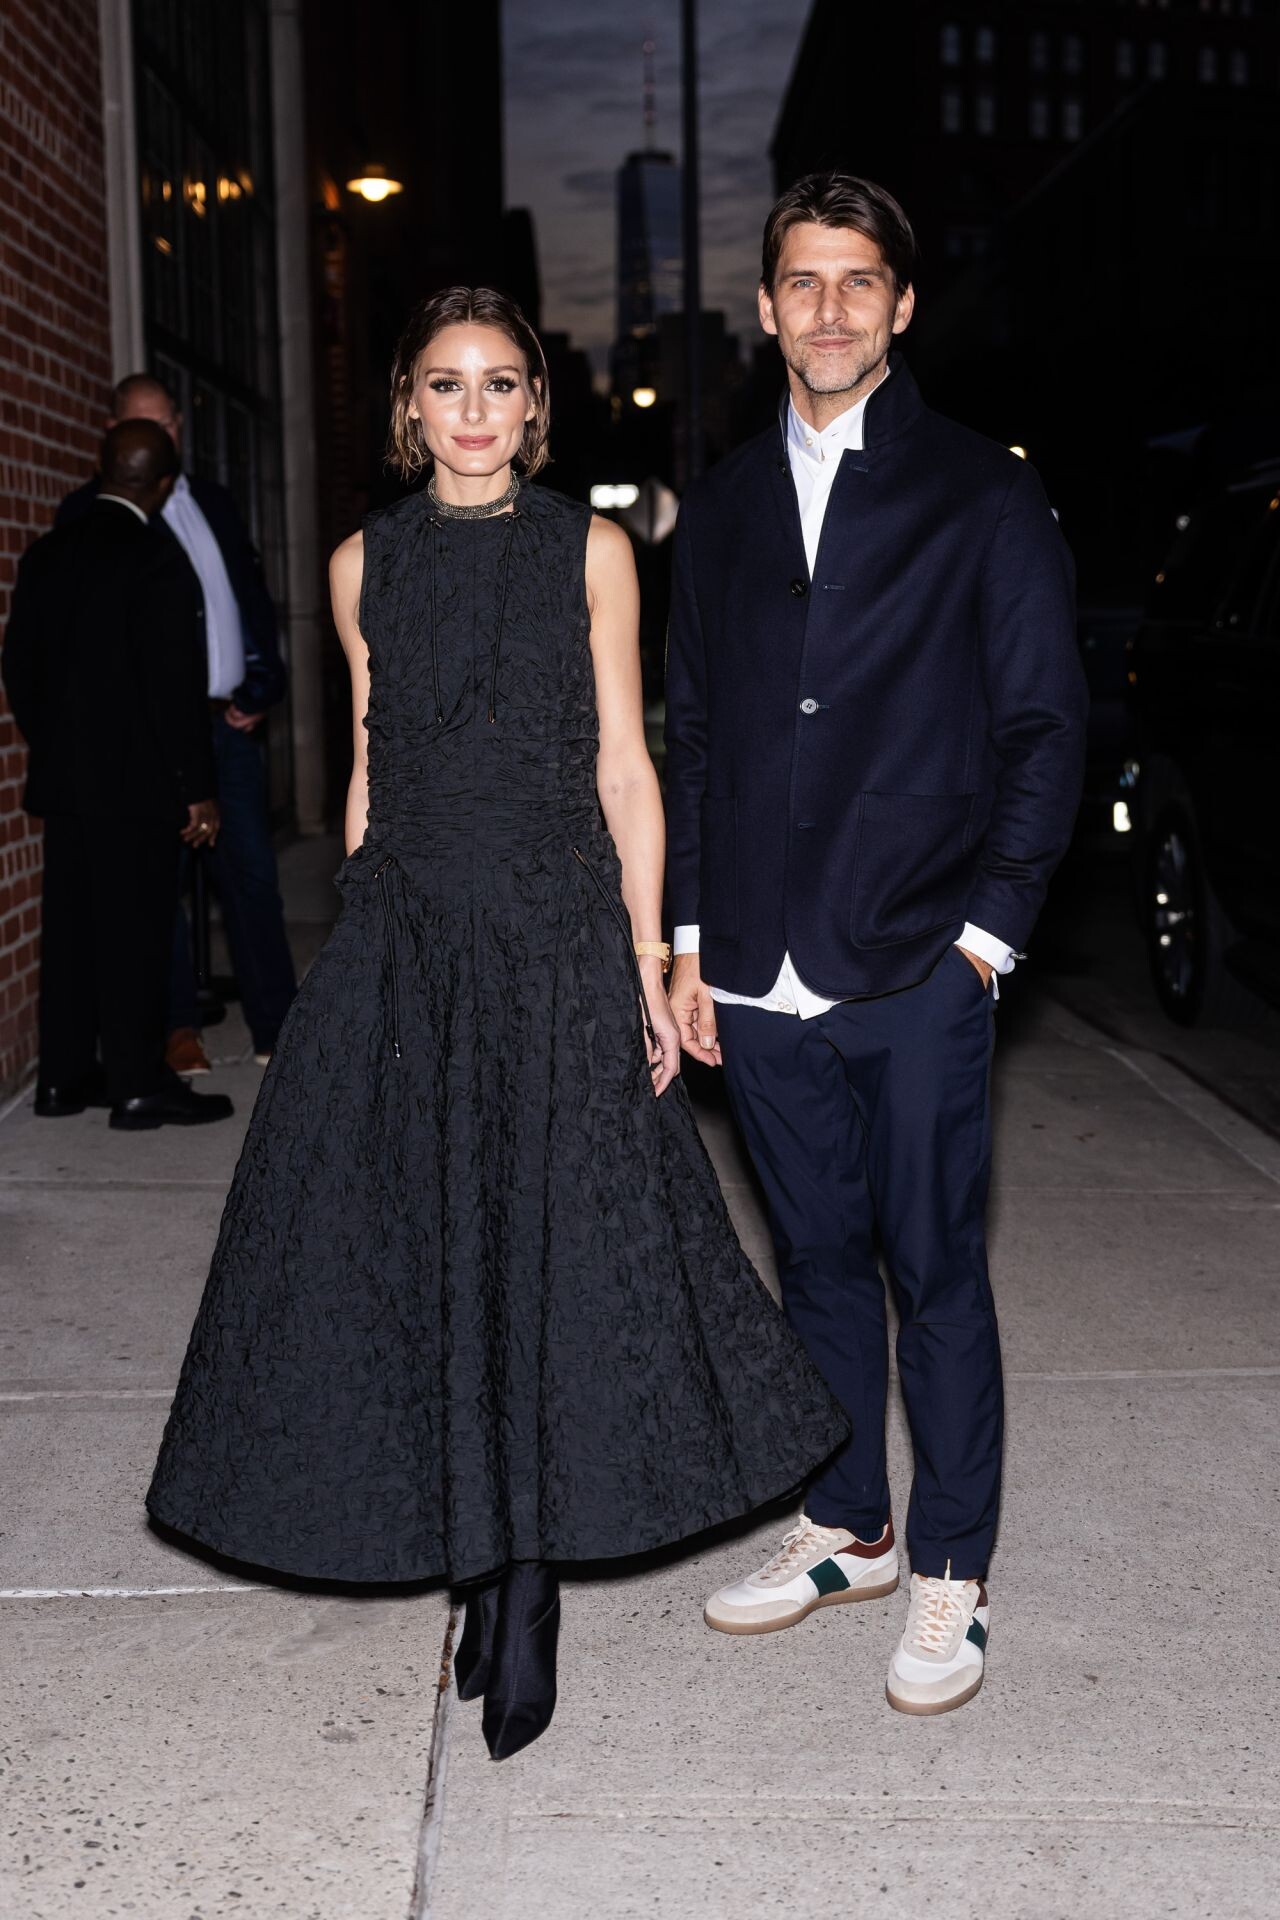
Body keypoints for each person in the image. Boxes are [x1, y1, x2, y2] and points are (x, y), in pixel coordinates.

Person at [146, 287, 847, 1761]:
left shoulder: (591, 552)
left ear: (536, 405)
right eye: (446, 384)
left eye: (501, 383)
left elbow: (624, 769)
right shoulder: (360, 564)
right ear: (409, 406)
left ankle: (525, 1584)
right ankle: (472, 1551)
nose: (475, 410)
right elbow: (369, 763)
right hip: (407, 939)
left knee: (550, 1256)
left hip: (551, 939)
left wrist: (650, 959)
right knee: (419, 1245)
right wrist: (355, 940)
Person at [664, 173, 1088, 1714]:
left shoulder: (982, 492)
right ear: (765, 307)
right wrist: (690, 938)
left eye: (859, 281)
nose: (830, 308)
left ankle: (952, 1568)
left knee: (935, 1274)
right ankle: (850, 1524)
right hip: (754, 965)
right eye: (804, 281)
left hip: (918, 959)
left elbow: (1045, 728)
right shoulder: (719, 506)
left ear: (901, 305)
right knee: (818, 1264)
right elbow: (697, 729)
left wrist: (987, 939)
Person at [58, 375, 295, 1070]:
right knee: (159, 885)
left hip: (229, 726)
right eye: (146, 424)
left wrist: (264, 682)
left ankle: (280, 1028)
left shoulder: (213, 502)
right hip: (152, 736)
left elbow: (248, 597)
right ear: (113, 432)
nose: (164, 436)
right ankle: (175, 1029)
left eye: (170, 424)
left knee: (252, 877)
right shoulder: (91, 515)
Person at [1, 422, 234, 1131]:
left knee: (71, 932)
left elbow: (20, 669)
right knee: (135, 936)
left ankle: (62, 1078)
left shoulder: (47, 554)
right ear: (163, 485)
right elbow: (173, 688)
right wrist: (195, 787)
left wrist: (58, 745)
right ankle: (137, 1086)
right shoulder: (155, 559)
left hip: (67, 784)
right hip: (137, 788)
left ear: (101, 469)